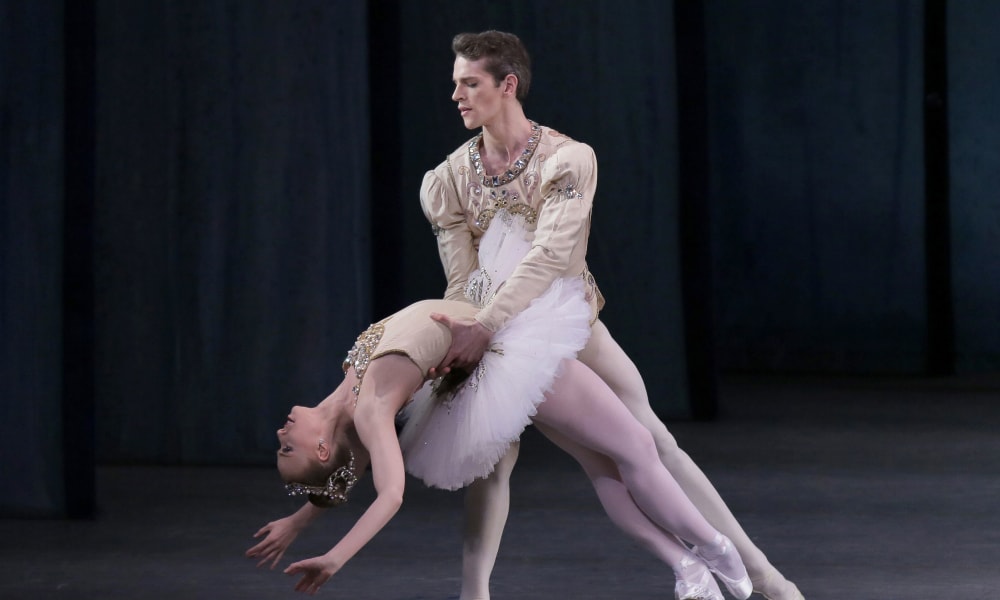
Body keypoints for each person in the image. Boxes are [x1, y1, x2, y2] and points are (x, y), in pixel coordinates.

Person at [420, 30, 803, 600]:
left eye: (469, 83)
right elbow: (461, 277)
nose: (456, 95)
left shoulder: (566, 159)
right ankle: (474, 594)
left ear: (508, 86)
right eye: (456, 84)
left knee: (651, 442)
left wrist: (487, 324)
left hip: (565, 321)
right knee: (494, 459)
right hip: (499, 337)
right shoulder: (449, 178)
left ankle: (761, 573)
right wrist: (471, 334)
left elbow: (551, 255)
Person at [247, 207, 752, 600]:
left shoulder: (348, 393)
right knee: (635, 448)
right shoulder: (370, 409)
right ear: (319, 446)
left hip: (491, 334)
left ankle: (688, 564)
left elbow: (344, 470)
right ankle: (713, 548)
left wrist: (299, 520)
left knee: (607, 466)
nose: (280, 434)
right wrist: (336, 557)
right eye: (287, 448)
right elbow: (390, 494)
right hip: (505, 355)